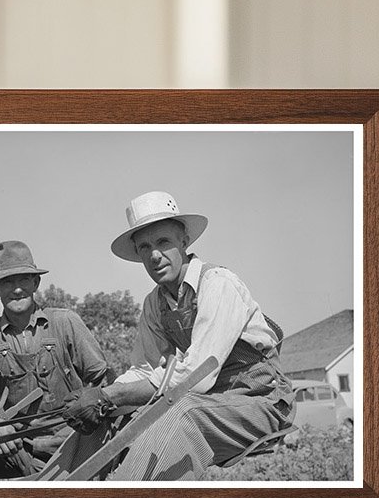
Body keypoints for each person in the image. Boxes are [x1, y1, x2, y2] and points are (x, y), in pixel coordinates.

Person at [67, 191, 296, 481]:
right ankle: (67, 488)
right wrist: (101, 401)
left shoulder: (218, 284)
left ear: (184, 242)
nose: (154, 255)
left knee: (180, 413)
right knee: (108, 420)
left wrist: (108, 395)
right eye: (144, 247)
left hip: (262, 404)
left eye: (163, 242)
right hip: (213, 403)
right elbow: (143, 369)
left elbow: (197, 378)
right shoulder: (154, 303)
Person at [0, 240, 113, 480]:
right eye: (7, 281)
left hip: (72, 444)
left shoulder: (65, 323)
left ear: (36, 283)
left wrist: (85, 421)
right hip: (15, 450)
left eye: (24, 279)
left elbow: (105, 381)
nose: (17, 289)